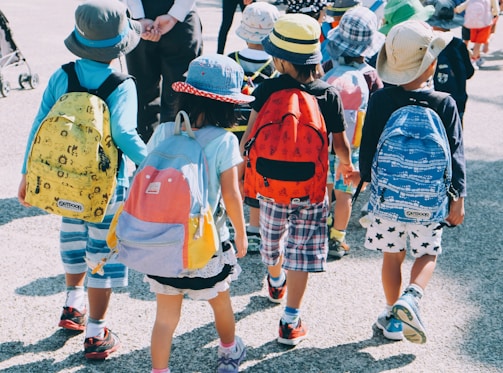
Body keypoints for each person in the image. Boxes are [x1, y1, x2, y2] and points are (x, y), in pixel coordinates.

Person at [17, 0, 147, 359]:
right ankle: (96, 332)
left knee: (73, 241)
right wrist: (152, 163)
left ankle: (72, 307)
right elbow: (123, 134)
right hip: (105, 187)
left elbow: (39, 124)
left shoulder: (63, 75)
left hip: (61, 180)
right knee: (102, 253)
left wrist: (28, 174)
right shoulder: (122, 84)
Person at [240, 14, 352, 345]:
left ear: (277, 57)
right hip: (312, 189)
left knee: (271, 241)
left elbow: (248, 140)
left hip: (271, 188)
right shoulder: (328, 94)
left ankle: (275, 279)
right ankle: (290, 321)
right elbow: (341, 145)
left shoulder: (266, 89)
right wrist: (346, 166)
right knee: (301, 252)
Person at [351, 20, 466, 343]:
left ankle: (393, 318)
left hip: (388, 200)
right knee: (427, 254)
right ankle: (411, 298)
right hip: (429, 203)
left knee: (392, 256)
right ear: (430, 63)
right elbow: (455, 155)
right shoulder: (445, 103)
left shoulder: (381, 100)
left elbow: (368, 150)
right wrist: (458, 197)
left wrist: (373, 187)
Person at [144, 54, 251, 373]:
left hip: (162, 242)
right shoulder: (224, 141)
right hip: (205, 244)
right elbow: (231, 194)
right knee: (220, 303)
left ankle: (159, 370)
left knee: (164, 318)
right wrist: (242, 233)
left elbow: (145, 174)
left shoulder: (165, 131)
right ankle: (229, 355)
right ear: (228, 105)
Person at [321, 6, 385, 259]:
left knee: (323, 189)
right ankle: (337, 238)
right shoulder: (370, 75)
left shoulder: (327, 67)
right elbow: (377, 109)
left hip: (324, 143)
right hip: (353, 147)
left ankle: (319, 229)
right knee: (344, 194)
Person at [227, 1, 280, 253]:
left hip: (229, 132)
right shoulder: (277, 67)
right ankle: (255, 228)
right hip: (261, 134)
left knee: (232, 178)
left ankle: (230, 224)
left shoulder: (230, 61)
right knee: (258, 181)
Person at [123, 0, 203, 142]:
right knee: (178, 97)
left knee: (144, 97)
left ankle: (146, 159)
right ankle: (174, 156)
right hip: (181, 20)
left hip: (144, 19)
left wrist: (138, 16)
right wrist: (174, 15)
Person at [427, 0, 475, 125]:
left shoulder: (428, 45)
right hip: (457, 101)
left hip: (432, 101)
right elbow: (469, 72)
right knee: (454, 135)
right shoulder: (458, 44)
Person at [455, 0, 499, 68]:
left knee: (474, 41)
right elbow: (496, 10)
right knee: (478, 44)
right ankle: (473, 61)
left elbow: (462, 6)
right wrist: (492, 14)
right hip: (485, 23)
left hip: (473, 22)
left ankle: (477, 58)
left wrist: (456, 10)